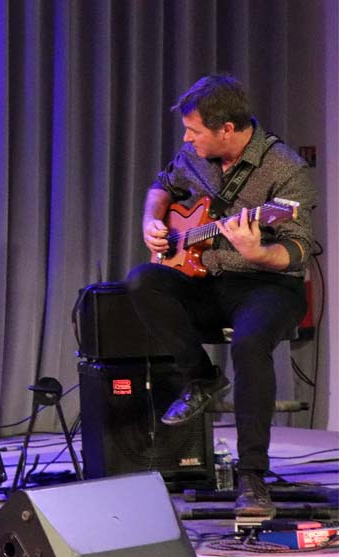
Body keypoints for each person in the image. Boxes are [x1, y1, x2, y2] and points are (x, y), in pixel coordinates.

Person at [126, 74, 316, 519]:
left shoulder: (285, 169)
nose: (187, 140)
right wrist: (151, 223)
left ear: (226, 129)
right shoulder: (194, 158)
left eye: (194, 131)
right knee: (142, 281)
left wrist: (259, 250)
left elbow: (299, 247)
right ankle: (203, 379)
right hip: (207, 281)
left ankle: (252, 475)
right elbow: (162, 187)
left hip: (268, 285)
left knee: (250, 344)